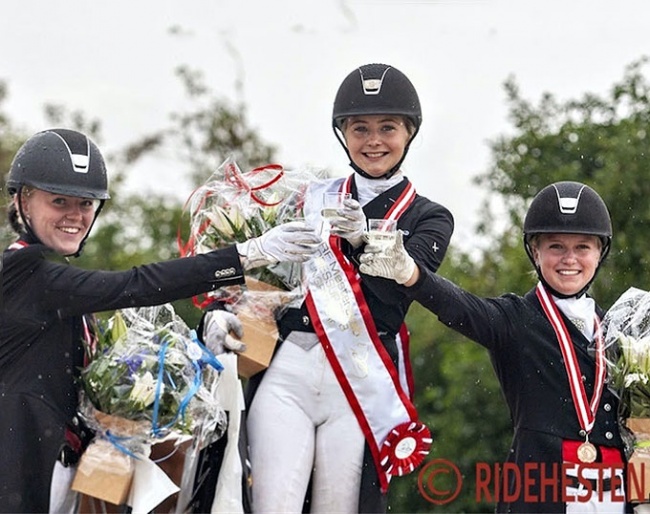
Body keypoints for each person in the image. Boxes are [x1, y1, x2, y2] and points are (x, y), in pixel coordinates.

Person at [0, 128, 321, 514]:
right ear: (22, 203)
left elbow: (114, 368)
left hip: (65, 473)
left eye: (86, 203)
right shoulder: (22, 273)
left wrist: (200, 347)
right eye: (59, 201)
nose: (75, 215)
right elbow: (134, 285)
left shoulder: (56, 287)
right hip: (18, 474)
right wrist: (247, 255)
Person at [224, 63, 454, 513]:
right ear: (342, 134)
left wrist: (365, 240)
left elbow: (397, 297)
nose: (373, 140)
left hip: (359, 374)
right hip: (290, 366)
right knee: (274, 501)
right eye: (359, 128)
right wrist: (227, 307)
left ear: (409, 133)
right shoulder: (307, 198)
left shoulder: (429, 217)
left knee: (341, 505)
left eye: (387, 127)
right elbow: (268, 283)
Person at [359, 181, 631, 513]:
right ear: (535, 251)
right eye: (556, 246)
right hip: (540, 492)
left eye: (583, 247)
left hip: (615, 489)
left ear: (600, 252)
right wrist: (412, 274)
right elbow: (460, 306)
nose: (569, 259)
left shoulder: (620, 330)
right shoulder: (514, 320)